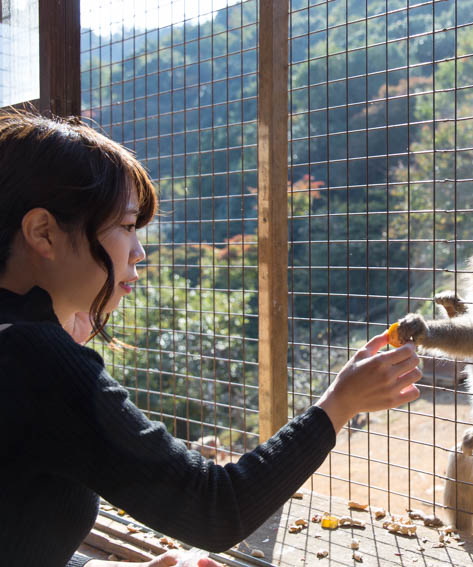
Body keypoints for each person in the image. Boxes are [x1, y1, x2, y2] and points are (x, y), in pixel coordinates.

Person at [0, 111, 423, 567]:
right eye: (125, 226)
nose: (139, 251)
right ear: (43, 232)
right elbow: (217, 509)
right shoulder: (34, 358)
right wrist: (339, 404)